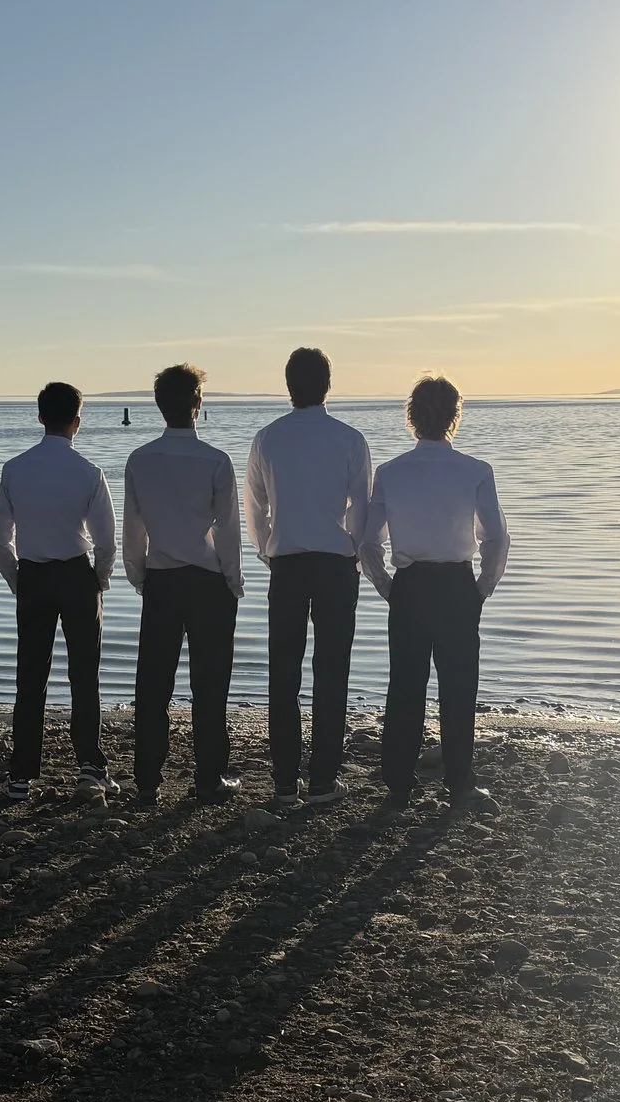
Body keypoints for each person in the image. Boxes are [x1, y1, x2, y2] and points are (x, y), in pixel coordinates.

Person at [359, 374, 509, 813]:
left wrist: (389, 588)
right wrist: (482, 588)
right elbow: (496, 538)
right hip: (457, 585)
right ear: (454, 417)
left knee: (405, 684)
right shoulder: (477, 471)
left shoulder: (390, 473)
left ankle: (399, 785)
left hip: (410, 585)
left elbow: (370, 543)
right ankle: (459, 783)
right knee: (459, 686)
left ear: (412, 417)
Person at [245, 346, 371, 809]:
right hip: (336, 564)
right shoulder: (350, 439)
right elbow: (363, 505)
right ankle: (321, 781)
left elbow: (254, 506)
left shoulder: (268, 439)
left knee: (284, 673)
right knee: (331, 673)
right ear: (328, 386)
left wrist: (265, 551)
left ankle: (283, 783)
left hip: (289, 565)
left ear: (288, 386)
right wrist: (354, 549)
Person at [122, 362, 242, 806]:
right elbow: (229, 531)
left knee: (153, 684)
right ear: (198, 403)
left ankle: (148, 782)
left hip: (162, 580)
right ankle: (209, 778)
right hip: (209, 581)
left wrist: (139, 575)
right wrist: (234, 578)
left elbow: (133, 527)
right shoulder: (215, 460)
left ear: (158, 406)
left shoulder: (140, 460)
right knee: (210, 685)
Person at [0, 380, 116, 802]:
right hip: (77, 576)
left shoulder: (15, 468)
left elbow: (0, 538)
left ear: (40, 416)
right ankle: (90, 767)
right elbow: (106, 541)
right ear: (77, 422)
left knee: (30, 678)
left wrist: (17, 579)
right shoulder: (89, 472)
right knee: (85, 676)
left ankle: (22, 775)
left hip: (34, 577)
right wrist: (100, 580)